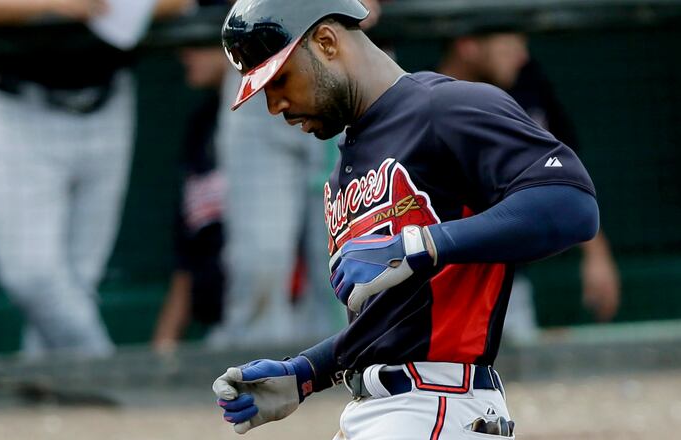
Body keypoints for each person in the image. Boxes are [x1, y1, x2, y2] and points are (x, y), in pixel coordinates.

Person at [211, 0, 599, 438]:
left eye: (279, 79)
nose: (274, 104)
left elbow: (572, 204)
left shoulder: (445, 107)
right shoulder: (345, 168)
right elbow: (394, 320)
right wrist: (306, 372)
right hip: (379, 412)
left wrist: (418, 244)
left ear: (325, 41)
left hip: (438, 406)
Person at [0, 0, 193, 357]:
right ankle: (107, 373)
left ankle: (49, 394)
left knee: (78, 282)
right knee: (31, 277)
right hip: (16, 105)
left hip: (106, 98)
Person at [205, 0, 382, 350]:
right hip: (265, 52)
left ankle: (350, 372)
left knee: (350, 258)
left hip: (345, 64)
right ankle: (260, 384)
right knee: (260, 260)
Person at [436, 32, 620, 342]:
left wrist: (596, 254)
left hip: (505, 280)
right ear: (467, 44)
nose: (522, 56)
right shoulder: (417, 100)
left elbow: (562, 177)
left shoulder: (526, 88)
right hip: (432, 281)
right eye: (510, 45)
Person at [151, 40, 228, 353]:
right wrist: (164, 347)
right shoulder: (201, 126)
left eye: (199, 43)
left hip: (297, 323)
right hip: (221, 329)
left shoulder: (290, 119)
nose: (184, 52)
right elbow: (189, 258)